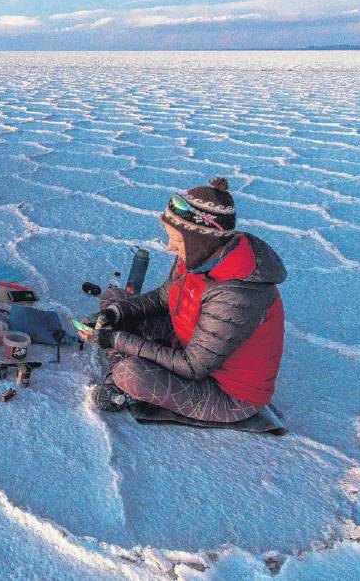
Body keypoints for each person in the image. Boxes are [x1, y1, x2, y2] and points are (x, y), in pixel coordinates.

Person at [78, 177, 287, 423]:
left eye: (176, 241)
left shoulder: (237, 294)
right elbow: (163, 296)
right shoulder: (201, 256)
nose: (169, 248)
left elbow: (193, 366)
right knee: (113, 299)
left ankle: (119, 383)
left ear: (200, 240)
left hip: (226, 393)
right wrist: (115, 314)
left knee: (131, 374)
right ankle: (122, 364)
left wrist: (116, 340)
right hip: (187, 339)